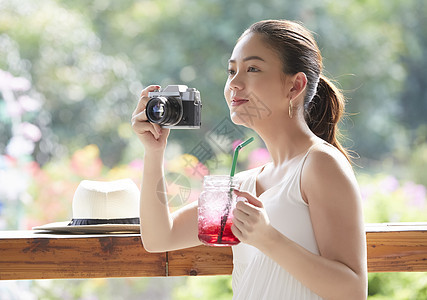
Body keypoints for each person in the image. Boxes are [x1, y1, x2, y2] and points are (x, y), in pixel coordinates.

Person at [131, 19, 368, 300]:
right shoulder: (243, 184)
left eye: (252, 69)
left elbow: (353, 290)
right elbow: (160, 237)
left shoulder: (320, 164)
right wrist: (153, 151)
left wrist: (268, 238)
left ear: (295, 86)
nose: (234, 84)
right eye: (231, 71)